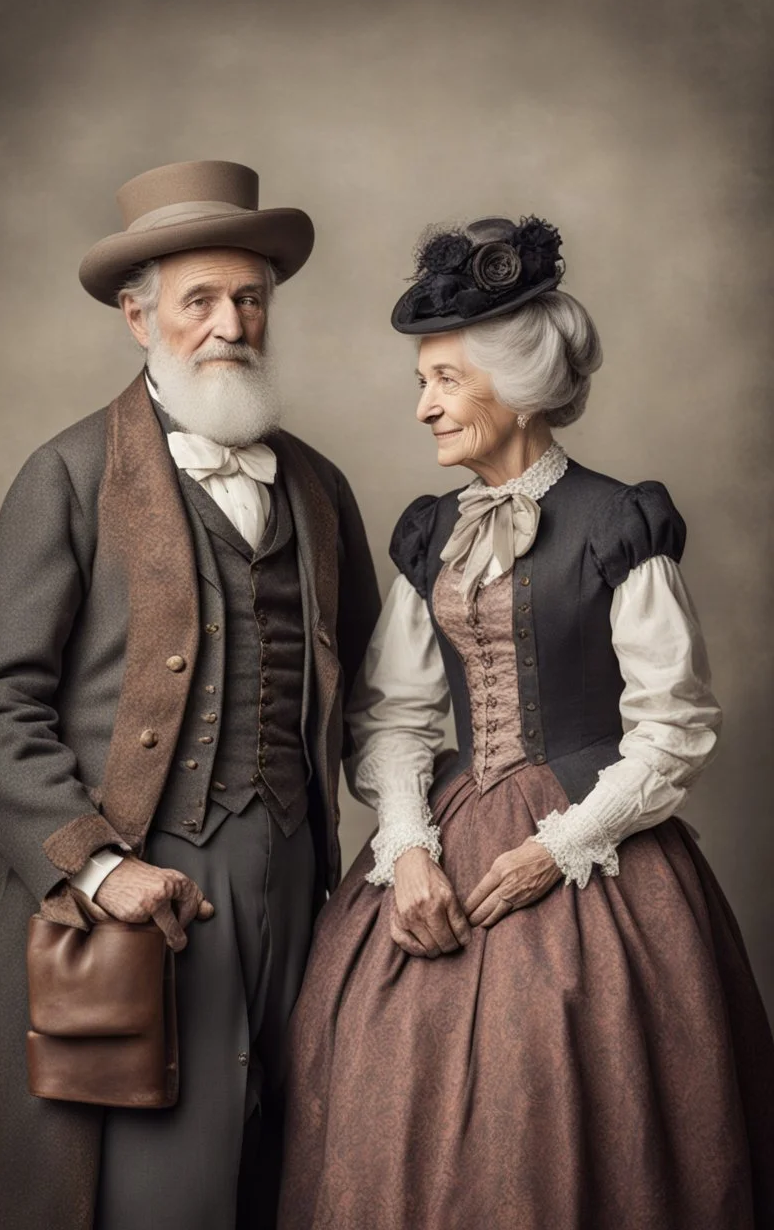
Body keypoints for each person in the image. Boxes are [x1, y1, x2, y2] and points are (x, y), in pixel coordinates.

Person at [278, 216, 774, 1228]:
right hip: (450, 836)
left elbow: (673, 725)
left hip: (599, 848)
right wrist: (409, 852)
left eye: (445, 379)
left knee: (571, 1107)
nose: (422, 407)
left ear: (518, 386)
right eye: (421, 380)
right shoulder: (431, 536)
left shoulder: (616, 525)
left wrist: (564, 845)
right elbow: (398, 716)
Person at [0, 159, 380, 1230]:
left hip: (296, 883)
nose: (230, 323)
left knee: (277, 1172)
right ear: (138, 319)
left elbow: (373, 693)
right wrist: (100, 867)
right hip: (134, 895)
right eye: (200, 300)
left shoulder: (321, 489)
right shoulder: (66, 473)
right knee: (147, 1192)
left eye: (250, 298)